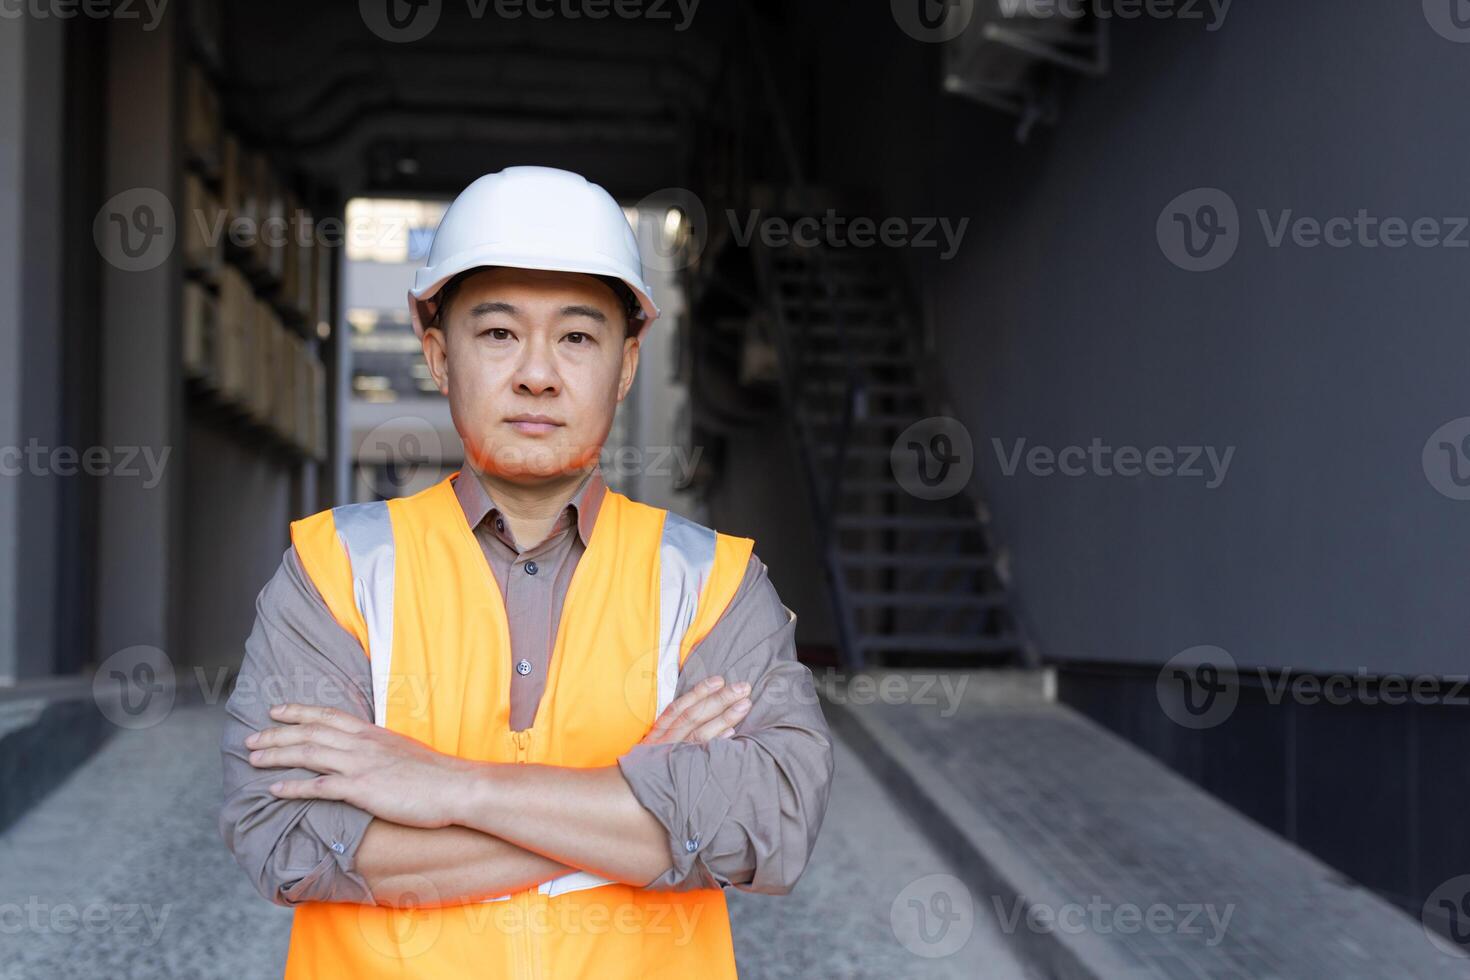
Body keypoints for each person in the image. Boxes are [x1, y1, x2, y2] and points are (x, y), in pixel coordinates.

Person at [218, 165, 834, 979]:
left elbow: (775, 825)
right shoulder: (334, 573)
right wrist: (642, 805)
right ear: (439, 356)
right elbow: (285, 838)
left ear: (625, 365)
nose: (537, 373)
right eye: (499, 333)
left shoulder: (713, 584)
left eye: (577, 337)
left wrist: (452, 789)